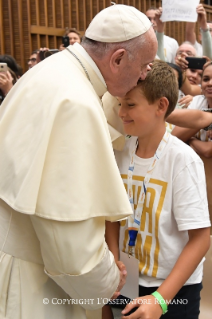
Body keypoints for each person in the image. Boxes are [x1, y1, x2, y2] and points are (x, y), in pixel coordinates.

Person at [0, 4, 158, 319]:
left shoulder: (55, 70)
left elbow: (106, 110)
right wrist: (107, 282)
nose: (145, 75)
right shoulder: (76, 103)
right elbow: (70, 244)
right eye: (144, 65)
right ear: (117, 59)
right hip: (37, 283)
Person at [110, 60, 210, 319]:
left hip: (174, 289)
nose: (122, 112)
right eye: (120, 103)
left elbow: (200, 238)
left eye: (130, 104)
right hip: (126, 279)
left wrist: (160, 300)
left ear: (161, 106)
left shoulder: (182, 160)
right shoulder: (120, 151)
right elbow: (112, 216)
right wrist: (111, 265)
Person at [173, 61, 212, 158]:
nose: (210, 83)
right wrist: (207, 120)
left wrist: (189, 140)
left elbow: (208, 151)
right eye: (206, 79)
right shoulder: (196, 101)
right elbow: (175, 137)